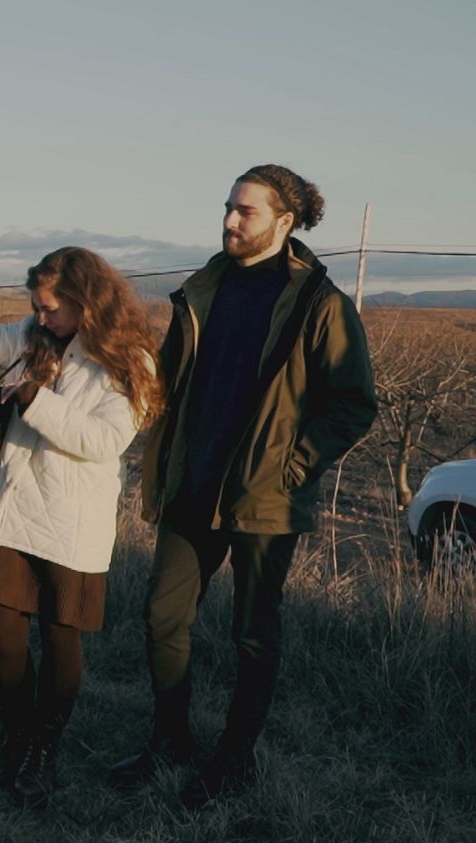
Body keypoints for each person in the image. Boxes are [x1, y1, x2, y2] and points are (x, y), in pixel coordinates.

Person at [108, 164, 377, 809]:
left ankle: (235, 759)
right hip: (193, 484)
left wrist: (293, 465)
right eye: (228, 207)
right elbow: (171, 376)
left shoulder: (321, 303)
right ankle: (170, 740)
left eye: (245, 212)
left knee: (253, 633)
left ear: (284, 222)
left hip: (265, 496)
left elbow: (353, 403)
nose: (230, 220)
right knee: (163, 617)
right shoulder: (204, 288)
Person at [0, 246, 163, 807]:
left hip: (70, 525)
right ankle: (16, 735)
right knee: (4, 636)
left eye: (51, 308)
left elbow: (104, 441)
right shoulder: (32, 334)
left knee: (61, 637)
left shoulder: (130, 360)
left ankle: (44, 746)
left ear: (86, 303)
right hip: (10, 513)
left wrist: (33, 400)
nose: (41, 318)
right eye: (36, 307)